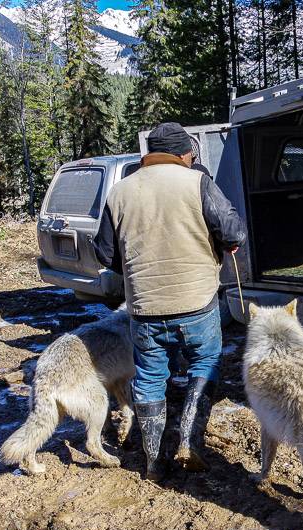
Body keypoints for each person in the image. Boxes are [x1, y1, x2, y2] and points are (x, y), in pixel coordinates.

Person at [93, 122, 246, 481]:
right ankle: (190, 442)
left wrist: (133, 267)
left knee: (149, 377)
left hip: (144, 308)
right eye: (191, 154)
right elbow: (234, 231)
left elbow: (103, 252)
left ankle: (153, 462)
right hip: (197, 302)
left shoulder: (119, 191)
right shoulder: (197, 181)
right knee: (204, 363)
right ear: (182, 153)